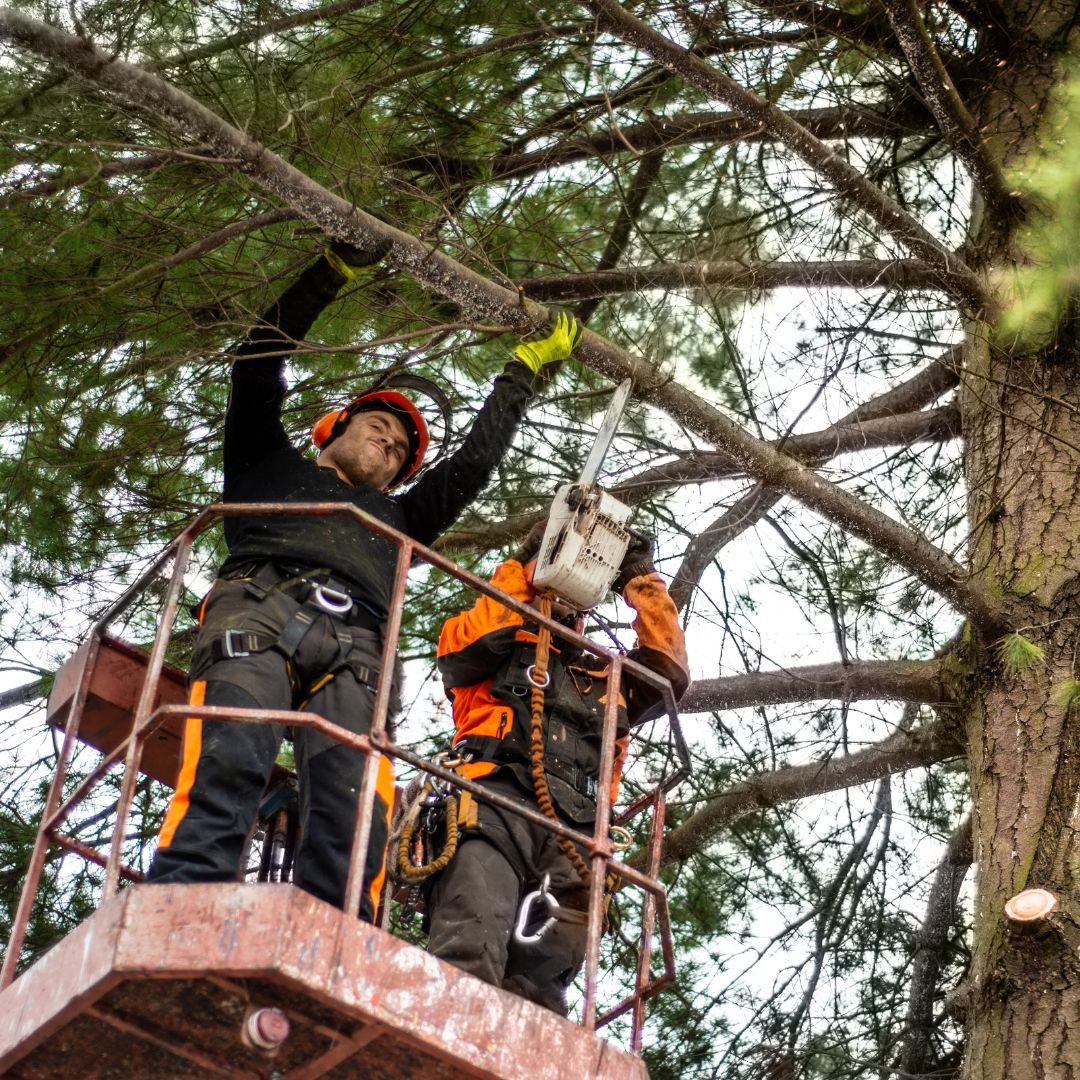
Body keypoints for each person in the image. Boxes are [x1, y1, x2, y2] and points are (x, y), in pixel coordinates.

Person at [148, 241, 582, 923]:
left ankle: (336, 933)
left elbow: (470, 467)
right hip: (257, 612)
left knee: (355, 804)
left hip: (354, 648)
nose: (392, 443)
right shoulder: (266, 463)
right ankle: (176, 909)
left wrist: (521, 372)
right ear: (333, 429)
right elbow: (256, 363)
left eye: (402, 450)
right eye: (380, 427)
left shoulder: (403, 516)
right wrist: (329, 272)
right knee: (230, 755)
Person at [424, 526, 689, 1013]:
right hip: (492, 805)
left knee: (546, 988)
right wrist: (523, 563)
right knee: (471, 940)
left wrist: (640, 580)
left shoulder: (607, 675)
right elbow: (479, 639)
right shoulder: (492, 642)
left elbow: (669, 670)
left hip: (578, 835)